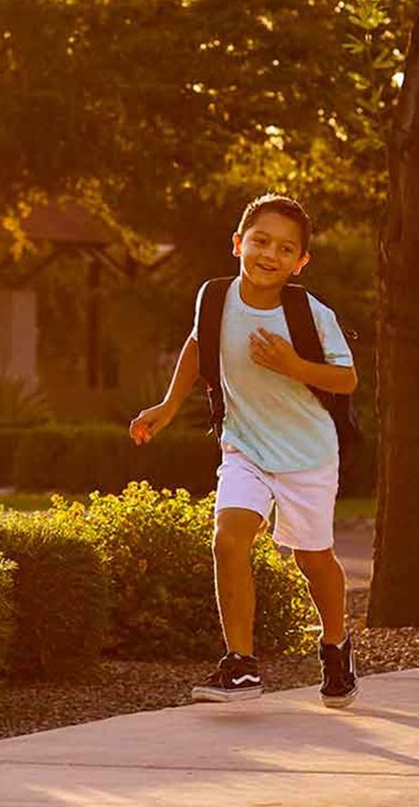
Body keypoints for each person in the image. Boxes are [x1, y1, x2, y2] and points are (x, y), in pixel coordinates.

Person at [129, 193, 360, 707]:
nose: (269, 255)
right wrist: (167, 406)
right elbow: (198, 343)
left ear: (300, 261)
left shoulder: (310, 313)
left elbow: (346, 379)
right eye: (260, 241)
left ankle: (335, 643)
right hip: (245, 447)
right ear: (238, 244)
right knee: (228, 540)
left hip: (308, 454)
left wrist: (295, 366)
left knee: (312, 558)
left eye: (285, 248)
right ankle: (241, 666)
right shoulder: (214, 298)